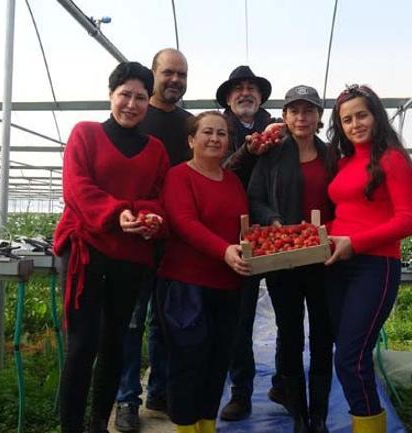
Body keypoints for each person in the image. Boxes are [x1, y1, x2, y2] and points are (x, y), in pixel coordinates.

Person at [54, 61, 170, 433]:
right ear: (111, 95)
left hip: (129, 257)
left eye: (140, 97)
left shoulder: (155, 150)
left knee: (115, 344)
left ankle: (97, 425)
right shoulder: (85, 134)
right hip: (86, 251)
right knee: (82, 345)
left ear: (148, 102)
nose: (132, 104)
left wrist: (151, 220)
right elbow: (76, 189)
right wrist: (117, 212)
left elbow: (157, 197)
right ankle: (71, 427)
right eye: (125, 95)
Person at [324, 85, 412, 433]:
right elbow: (348, 212)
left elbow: (410, 220)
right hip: (339, 264)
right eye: (346, 120)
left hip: (375, 266)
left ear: (376, 115)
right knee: (348, 355)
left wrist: (355, 243)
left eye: (361, 115)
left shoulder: (392, 159)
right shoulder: (344, 161)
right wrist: (317, 233)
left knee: (351, 358)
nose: (355, 125)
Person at [156, 111, 251, 433]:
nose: (214, 139)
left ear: (229, 142)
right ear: (191, 139)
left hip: (227, 284)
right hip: (186, 285)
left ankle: (207, 425)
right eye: (207, 132)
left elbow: (240, 228)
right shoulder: (179, 176)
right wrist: (224, 251)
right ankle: (185, 426)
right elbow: (184, 223)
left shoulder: (234, 181)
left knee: (217, 360)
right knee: (188, 362)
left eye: (221, 134)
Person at [115, 47, 193, 433]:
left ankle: (159, 389)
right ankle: (127, 397)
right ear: (153, 73)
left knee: (166, 320)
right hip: (135, 237)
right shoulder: (136, 116)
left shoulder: (190, 123)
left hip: (175, 238)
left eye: (182, 74)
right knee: (131, 320)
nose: (175, 80)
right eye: (169, 73)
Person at [247, 85, 334, 433]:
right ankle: (298, 413)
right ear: (283, 117)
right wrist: (273, 220)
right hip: (284, 257)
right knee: (291, 333)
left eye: (309, 111)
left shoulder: (331, 156)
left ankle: (320, 416)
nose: (302, 117)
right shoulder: (271, 155)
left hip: (325, 259)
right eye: (295, 111)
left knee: (324, 335)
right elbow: (254, 197)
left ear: (318, 117)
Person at [216, 65, 285, 421]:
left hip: (277, 233)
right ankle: (240, 393)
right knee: (239, 319)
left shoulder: (279, 127)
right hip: (234, 236)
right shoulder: (217, 128)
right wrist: (248, 150)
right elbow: (217, 172)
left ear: (260, 97)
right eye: (238, 88)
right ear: (228, 98)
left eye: (252, 88)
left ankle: (284, 385)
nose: (245, 93)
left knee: (288, 313)